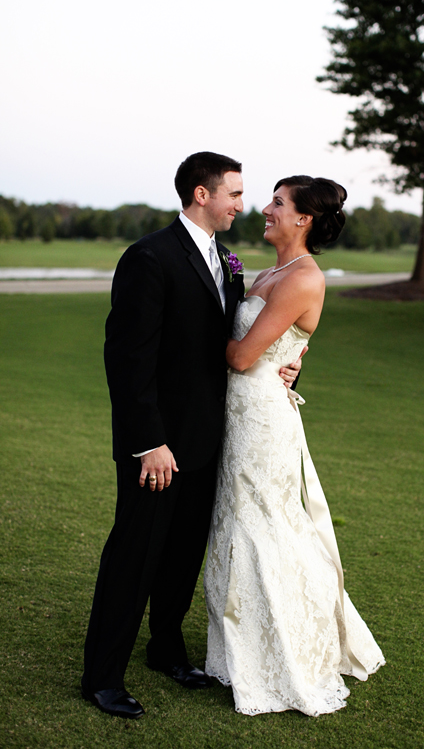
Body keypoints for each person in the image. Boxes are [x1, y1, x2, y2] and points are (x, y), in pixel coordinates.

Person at [81, 152, 300, 719]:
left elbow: (234, 341)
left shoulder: (227, 261)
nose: (242, 203)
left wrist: (284, 364)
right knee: (134, 557)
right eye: (234, 193)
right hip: (158, 447)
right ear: (202, 195)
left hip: (210, 440)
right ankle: (102, 676)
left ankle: (166, 651)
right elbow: (128, 359)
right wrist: (148, 441)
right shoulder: (148, 257)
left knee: (181, 559)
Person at [204, 175, 385, 716]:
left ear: (304, 219)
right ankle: (241, 645)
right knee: (233, 523)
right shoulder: (268, 272)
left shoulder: (305, 278)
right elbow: (271, 345)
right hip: (238, 415)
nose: (265, 208)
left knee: (265, 528)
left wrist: (187, 333)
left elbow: (240, 358)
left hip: (261, 421)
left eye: (278, 204)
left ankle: (288, 652)